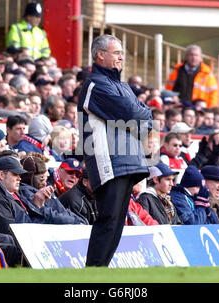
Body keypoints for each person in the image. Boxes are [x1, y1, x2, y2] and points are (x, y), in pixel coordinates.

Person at [78, 34, 152, 267]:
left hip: (128, 160)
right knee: (108, 219)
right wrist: (137, 114)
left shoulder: (122, 86)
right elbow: (132, 114)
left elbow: (146, 119)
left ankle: (100, 271)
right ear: (100, 55)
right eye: (117, 52)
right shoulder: (94, 84)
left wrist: (138, 114)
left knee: (117, 222)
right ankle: (93, 274)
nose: (122, 57)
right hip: (109, 160)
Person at [17, 153, 87, 224]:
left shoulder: (45, 187)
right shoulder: (27, 192)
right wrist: (75, 221)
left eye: (78, 175)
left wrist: (78, 220)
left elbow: (62, 210)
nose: (74, 176)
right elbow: (47, 215)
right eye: (70, 172)